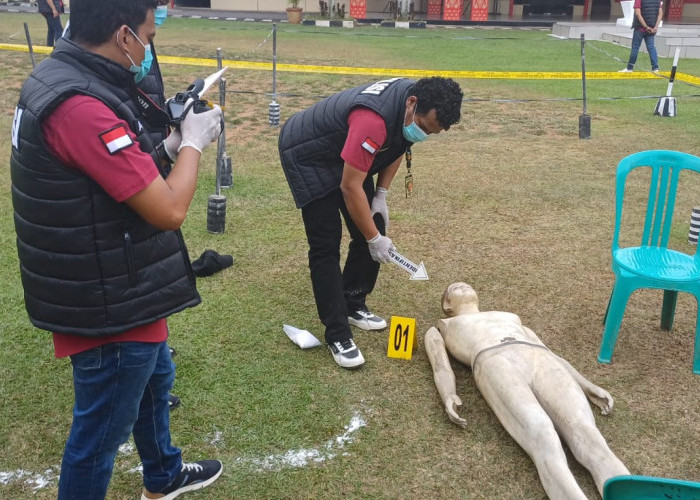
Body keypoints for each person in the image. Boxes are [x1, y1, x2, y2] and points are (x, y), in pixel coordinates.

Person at [10, 0, 224, 498]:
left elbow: (107, 173)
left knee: (156, 378)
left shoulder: (57, 76)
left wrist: (167, 148)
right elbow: (168, 210)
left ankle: (163, 474)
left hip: (113, 276)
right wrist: (192, 143)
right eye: (148, 37)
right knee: (98, 437)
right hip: (106, 297)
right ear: (124, 35)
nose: (149, 50)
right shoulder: (79, 105)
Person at [279, 77, 463, 369]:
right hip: (309, 155)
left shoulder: (411, 104)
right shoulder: (373, 120)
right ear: (412, 104)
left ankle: (353, 301)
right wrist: (373, 239)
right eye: (424, 128)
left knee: (372, 222)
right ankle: (338, 333)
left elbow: (401, 143)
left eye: (431, 132)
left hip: (345, 149)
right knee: (326, 243)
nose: (423, 134)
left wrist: (381, 194)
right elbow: (350, 187)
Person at [424, 282, 629, 499]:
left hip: (540, 356)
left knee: (586, 430)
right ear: (447, 304)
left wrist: (586, 385)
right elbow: (440, 366)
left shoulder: (510, 317)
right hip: (493, 360)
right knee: (542, 433)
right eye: (456, 288)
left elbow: (553, 354)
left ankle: (628, 494)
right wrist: (449, 393)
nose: (464, 287)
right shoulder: (442, 327)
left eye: (467, 285)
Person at [619, 0, 664, 73]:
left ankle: (630, 68)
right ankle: (655, 68)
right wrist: (656, 26)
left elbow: (637, 13)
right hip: (652, 28)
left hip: (640, 28)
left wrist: (645, 27)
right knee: (651, 47)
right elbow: (660, 13)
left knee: (635, 48)